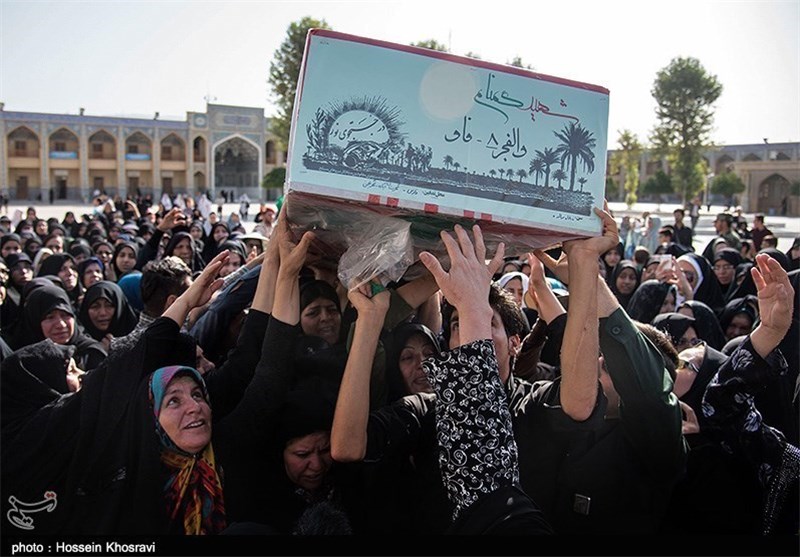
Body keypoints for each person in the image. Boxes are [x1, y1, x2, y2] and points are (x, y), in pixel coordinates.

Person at [12, 284, 106, 370]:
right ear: (35, 321)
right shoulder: (22, 362)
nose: (61, 325)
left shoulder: (91, 354)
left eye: (65, 315)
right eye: (50, 317)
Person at [77, 281, 138, 348]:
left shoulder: (140, 339)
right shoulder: (77, 345)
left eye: (109, 305)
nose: (103, 313)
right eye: (95, 306)